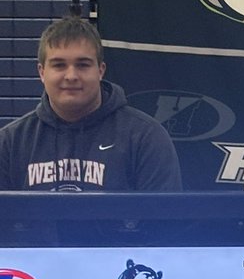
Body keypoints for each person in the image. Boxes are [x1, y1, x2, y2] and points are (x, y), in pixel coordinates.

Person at [0, 14, 181, 191]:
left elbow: (164, 212)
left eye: (83, 65)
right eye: (59, 65)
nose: (71, 76)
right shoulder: (10, 143)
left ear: (100, 71)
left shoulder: (145, 138)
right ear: (42, 72)